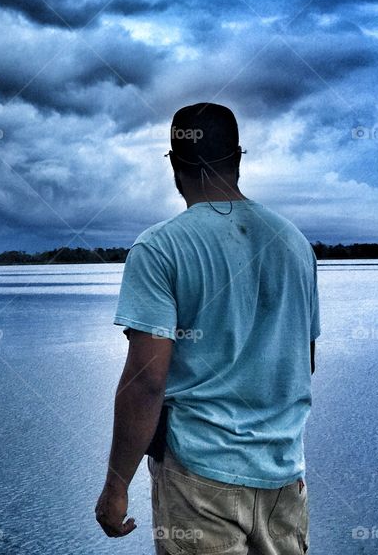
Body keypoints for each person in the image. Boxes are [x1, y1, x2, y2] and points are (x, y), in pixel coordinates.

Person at [95, 103, 319, 554]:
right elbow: (304, 362)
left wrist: (117, 485)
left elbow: (147, 381)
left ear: (175, 166)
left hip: (200, 479)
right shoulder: (295, 244)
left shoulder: (160, 248)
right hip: (284, 477)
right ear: (237, 159)